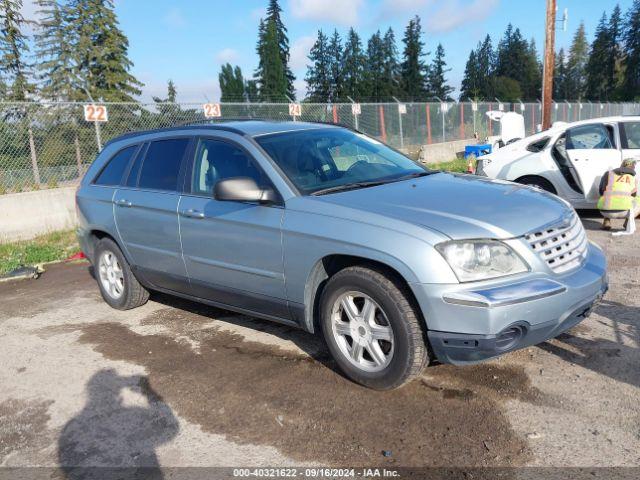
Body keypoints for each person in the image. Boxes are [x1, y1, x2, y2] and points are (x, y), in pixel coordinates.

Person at [597, 159, 638, 231]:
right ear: (633, 168)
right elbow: (633, 195)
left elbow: (601, 190)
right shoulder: (633, 178)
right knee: (637, 199)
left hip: (605, 211)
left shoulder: (608, 174)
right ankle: (627, 222)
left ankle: (606, 221)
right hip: (625, 212)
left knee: (606, 195)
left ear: (621, 165)